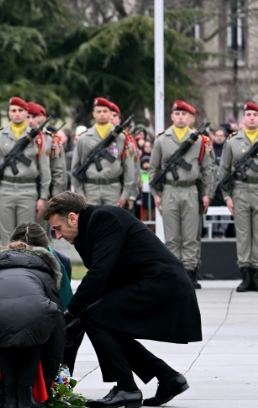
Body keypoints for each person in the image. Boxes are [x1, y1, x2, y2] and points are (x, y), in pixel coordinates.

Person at [44, 191, 201, 408]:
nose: (58, 236)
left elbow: (101, 272)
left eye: (58, 228)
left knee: (95, 317)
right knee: (103, 323)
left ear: (72, 217)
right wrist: (79, 313)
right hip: (146, 284)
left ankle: (127, 388)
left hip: (161, 284)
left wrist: (72, 311)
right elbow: (106, 278)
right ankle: (168, 378)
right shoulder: (84, 232)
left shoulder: (104, 218)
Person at [0, 231, 66, 408]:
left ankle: (10, 400)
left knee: (5, 342)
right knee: (33, 341)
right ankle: (26, 400)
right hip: (35, 314)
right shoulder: (43, 273)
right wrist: (49, 375)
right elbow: (58, 322)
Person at [148, 100, 215, 289]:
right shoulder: (162, 139)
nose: (180, 117)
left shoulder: (201, 140)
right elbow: (153, 169)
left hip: (191, 190)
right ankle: (174, 272)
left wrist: (206, 193)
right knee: (172, 236)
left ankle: (190, 272)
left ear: (191, 118)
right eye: (177, 114)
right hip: (169, 189)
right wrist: (156, 194)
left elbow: (207, 169)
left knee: (191, 235)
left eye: (184, 114)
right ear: (171, 116)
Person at [0, 97, 50, 244]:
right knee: (7, 235)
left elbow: (45, 171)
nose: (17, 114)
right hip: (4, 188)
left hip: (28, 189)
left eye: (20, 110)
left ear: (26, 113)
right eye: (13, 110)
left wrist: (43, 197)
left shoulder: (38, 139)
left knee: (26, 234)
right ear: (8, 113)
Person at [219, 101, 258, 291]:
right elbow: (224, 170)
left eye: (255, 115)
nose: (252, 118)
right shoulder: (232, 141)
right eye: (249, 115)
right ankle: (246, 275)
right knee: (243, 234)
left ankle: (257, 274)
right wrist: (227, 197)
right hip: (241, 190)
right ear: (244, 119)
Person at [71, 98, 137, 209]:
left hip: (113, 188)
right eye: (98, 111)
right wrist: (79, 193)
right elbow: (75, 167)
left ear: (110, 114)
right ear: (93, 114)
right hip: (90, 190)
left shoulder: (121, 137)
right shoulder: (84, 138)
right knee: (93, 224)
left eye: (105, 111)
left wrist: (126, 194)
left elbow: (129, 167)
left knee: (112, 224)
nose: (102, 114)